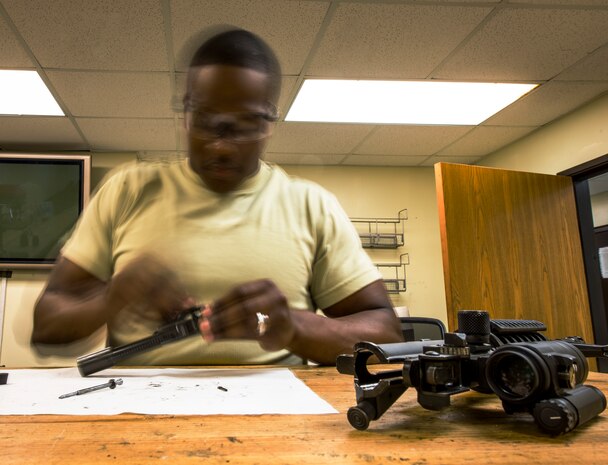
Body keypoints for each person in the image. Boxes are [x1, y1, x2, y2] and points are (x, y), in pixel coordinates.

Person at [31, 28, 402, 365]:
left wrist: (293, 327)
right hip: (137, 421)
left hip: (279, 424)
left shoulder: (312, 206)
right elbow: (46, 327)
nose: (222, 146)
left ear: (268, 125)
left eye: (243, 126)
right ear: (185, 116)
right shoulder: (126, 190)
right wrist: (112, 299)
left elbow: (385, 334)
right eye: (207, 121)